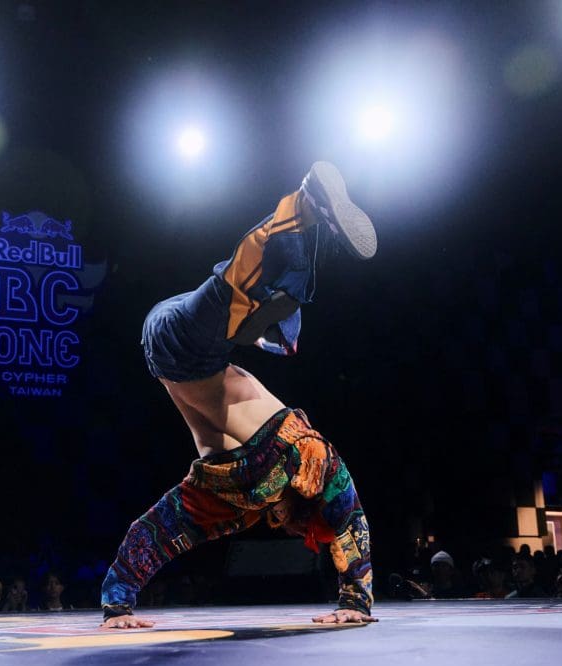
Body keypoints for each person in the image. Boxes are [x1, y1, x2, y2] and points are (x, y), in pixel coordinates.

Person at [100, 162, 377, 629]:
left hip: (171, 355)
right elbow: (348, 513)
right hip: (185, 351)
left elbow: (157, 532)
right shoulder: (306, 459)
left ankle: (287, 295)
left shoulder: (236, 503)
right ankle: (304, 209)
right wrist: (357, 598)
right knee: (233, 293)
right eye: (297, 525)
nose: (286, 527)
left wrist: (117, 607)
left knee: (245, 301)